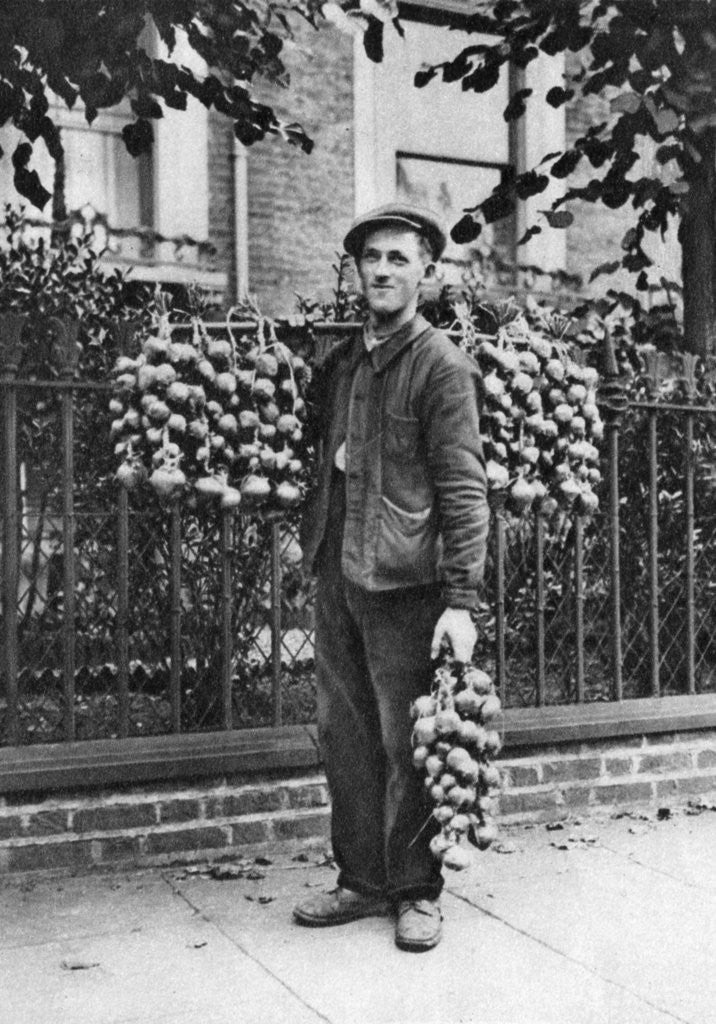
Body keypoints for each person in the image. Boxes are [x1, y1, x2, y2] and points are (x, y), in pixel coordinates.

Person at [294, 203, 489, 952]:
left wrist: (461, 601)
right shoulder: (343, 361)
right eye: (371, 257)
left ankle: (415, 891)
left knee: (409, 739)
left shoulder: (441, 365)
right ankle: (361, 880)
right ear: (357, 269)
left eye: (397, 259)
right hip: (339, 571)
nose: (381, 270)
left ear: (426, 273)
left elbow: (464, 489)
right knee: (343, 734)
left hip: (407, 583)